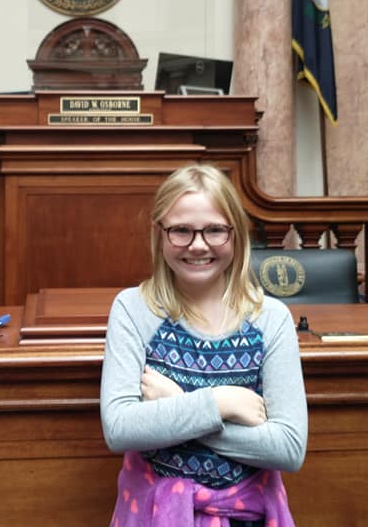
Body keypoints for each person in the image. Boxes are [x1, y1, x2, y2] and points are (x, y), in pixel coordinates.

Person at [100, 163, 308, 527]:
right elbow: (119, 428)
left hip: (249, 517)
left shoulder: (270, 318)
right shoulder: (133, 310)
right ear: (160, 234)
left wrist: (175, 405)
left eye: (214, 230)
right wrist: (219, 403)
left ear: (236, 235)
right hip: (153, 515)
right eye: (181, 230)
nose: (198, 245)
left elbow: (288, 448)